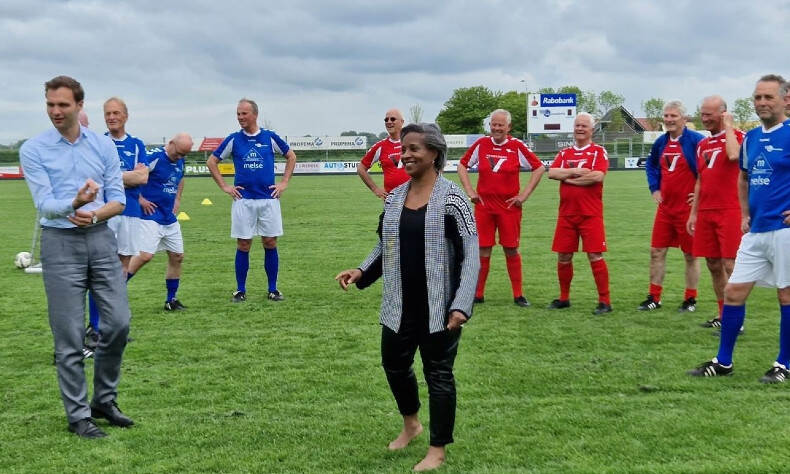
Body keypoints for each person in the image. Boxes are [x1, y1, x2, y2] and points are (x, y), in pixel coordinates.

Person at [335, 123, 478, 471]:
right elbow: (386, 245)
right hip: (398, 304)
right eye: (404, 148)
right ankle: (411, 424)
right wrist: (361, 271)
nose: (407, 154)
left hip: (439, 307)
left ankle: (437, 448)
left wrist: (461, 304)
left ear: (434, 153)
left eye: (414, 148)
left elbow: (471, 253)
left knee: (439, 375)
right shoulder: (396, 196)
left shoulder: (453, 199)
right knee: (395, 366)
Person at [20, 75, 133, 438]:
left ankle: (104, 400)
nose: (55, 111)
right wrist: (75, 203)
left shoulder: (101, 146)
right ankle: (78, 415)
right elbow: (44, 204)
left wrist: (96, 212)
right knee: (69, 336)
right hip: (60, 243)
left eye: (63, 105)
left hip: (100, 239)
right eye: (51, 105)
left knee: (118, 324)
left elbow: (119, 198)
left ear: (79, 106)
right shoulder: (34, 149)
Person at [689, 75, 790, 383]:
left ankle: (784, 364)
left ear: (786, 100)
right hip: (756, 230)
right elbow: (743, 177)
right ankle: (724, 361)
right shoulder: (753, 138)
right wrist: (745, 213)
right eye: (757, 97)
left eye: (768, 97)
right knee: (733, 291)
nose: (762, 102)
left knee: (786, 296)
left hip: (784, 230)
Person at [206, 98, 297, 303]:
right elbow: (212, 162)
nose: (240, 118)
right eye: (238, 114)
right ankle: (240, 290)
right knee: (243, 244)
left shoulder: (269, 137)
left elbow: (291, 156)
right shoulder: (233, 139)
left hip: (268, 200)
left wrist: (283, 183)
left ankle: (273, 289)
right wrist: (224, 186)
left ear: (254, 115)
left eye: (243, 114)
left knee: (270, 242)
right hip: (243, 200)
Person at [456, 108, 545, 307]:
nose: (496, 128)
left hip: (508, 208)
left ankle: (518, 295)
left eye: (500, 125)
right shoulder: (481, 144)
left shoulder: (516, 146)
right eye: (493, 125)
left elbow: (539, 167)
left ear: (508, 127)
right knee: (483, 250)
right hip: (484, 207)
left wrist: (524, 195)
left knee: (511, 249)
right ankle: (478, 294)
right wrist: (470, 191)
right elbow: (462, 165)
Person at [84, 98, 149, 346]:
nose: (111, 117)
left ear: (125, 115)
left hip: (131, 213)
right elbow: (96, 177)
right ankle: (95, 327)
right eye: (107, 113)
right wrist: (126, 176)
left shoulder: (136, 144)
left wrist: (113, 176)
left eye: (116, 113)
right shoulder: (98, 143)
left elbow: (142, 178)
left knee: (121, 272)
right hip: (107, 213)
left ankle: (112, 328)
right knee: (101, 271)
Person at [639, 100, 704, 312]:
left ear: (684, 119)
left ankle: (690, 299)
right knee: (656, 251)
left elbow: (709, 169)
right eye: (666, 116)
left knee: (690, 255)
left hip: (688, 211)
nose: (668, 120)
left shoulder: (696, 141)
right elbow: (651, 165)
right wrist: (654, 188)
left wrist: (701, 194)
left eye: (673, 116)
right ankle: (654, 298)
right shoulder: (661, 142)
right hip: (666, 209)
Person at [685, 96, 745, 328]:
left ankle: (736, 319)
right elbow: (699, 180)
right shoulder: (702, 144)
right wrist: (693, 213)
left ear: (723, 114)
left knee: (730, 264)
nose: (704, 119)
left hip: (730, 209)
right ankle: (723, 315)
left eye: (709, 114)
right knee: (712, 263)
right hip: (707, 211)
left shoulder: (738, 137)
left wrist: (729, 127)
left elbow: (734, 155)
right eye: (702, 114)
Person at [546, 113, 612, 315]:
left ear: (592, 129)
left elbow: (597, 176)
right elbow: (552, 173)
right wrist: (577, 172)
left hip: (590, 214)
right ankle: (564, 298)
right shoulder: (565, 153)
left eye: (584, 126)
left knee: (595, 255)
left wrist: (568, 177)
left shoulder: (598, 152)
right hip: (566, 214)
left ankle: (605, 301)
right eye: (577, 126)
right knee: (564, 256)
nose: (580, 129)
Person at [127, 133, 192, 311]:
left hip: (168, 217)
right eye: (178, 153)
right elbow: (135, 177)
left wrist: (178, 199)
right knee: (145, 256)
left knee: (177, 256)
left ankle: (171, 300)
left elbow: (181, 179)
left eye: (183, 155)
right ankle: (115, 291)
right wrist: (140, 199)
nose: (179, 157)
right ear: (170, 143)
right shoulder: (154, 157)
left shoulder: (180, 159)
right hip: (149, 215)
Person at [357, 108, 410, 198]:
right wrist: (375, 189)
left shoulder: (413, 142)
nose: (389, 122)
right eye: (386, 119)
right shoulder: (380, 146)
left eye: (393, 119)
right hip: (392, 202)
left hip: (415, 200)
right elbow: (361, 168)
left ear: (402, 122)